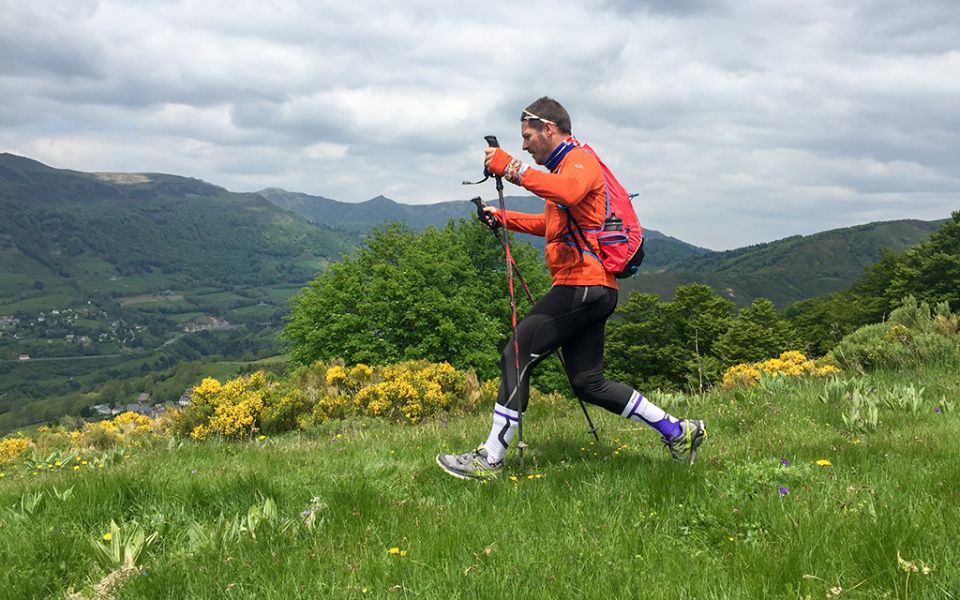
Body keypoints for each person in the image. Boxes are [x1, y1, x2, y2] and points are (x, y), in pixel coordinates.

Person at [436, 97, 706, 480]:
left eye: (528, 137)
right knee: (588, 383)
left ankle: (490, 458)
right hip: (593, 290)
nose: (526, 146)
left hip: (582, 284)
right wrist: (503, 218)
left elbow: (568, 192)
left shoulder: (580, 161)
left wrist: (511, 168)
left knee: (516, 353)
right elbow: (552, 226)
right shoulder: (563, 169)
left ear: (549, 128)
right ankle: (679, 431)